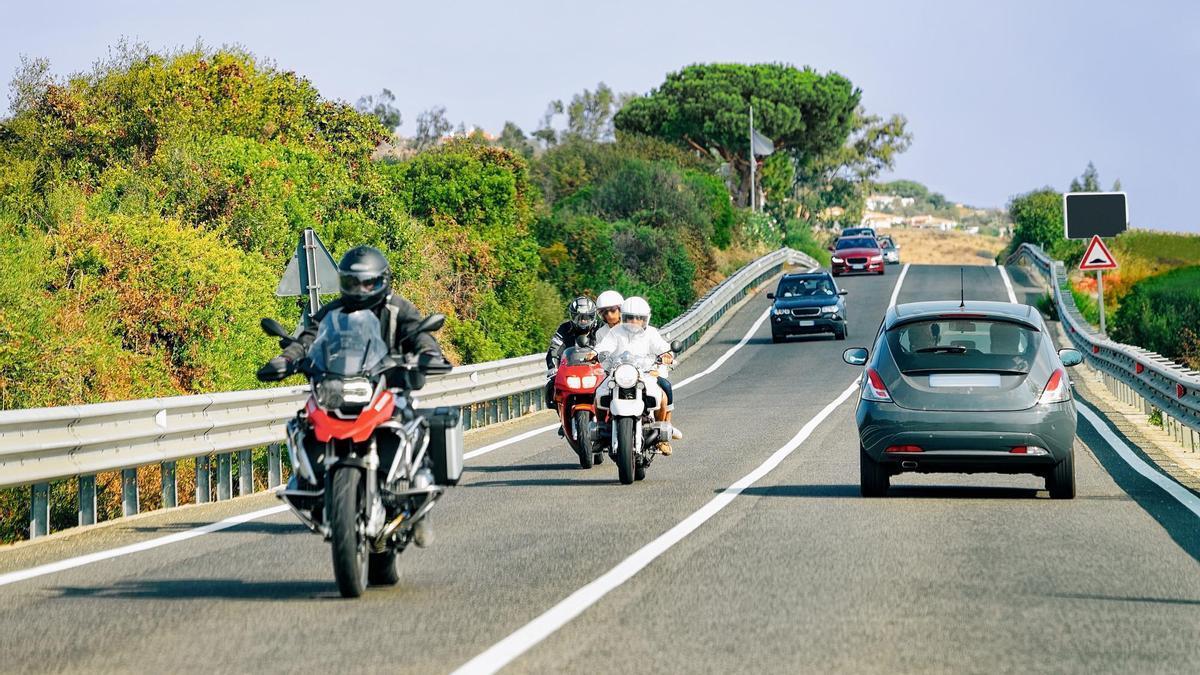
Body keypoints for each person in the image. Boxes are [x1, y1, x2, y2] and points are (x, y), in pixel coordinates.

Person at [256, 245, 448, 546]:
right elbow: (309, 337)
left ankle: (419, 502)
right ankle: (311, 482)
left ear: (383, 281)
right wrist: (287, 359)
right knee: (304, 422)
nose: (359, 289)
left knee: (413, 425)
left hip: (387, 386)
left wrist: (428, 353)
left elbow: (420, 334)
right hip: (339, 386)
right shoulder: (334, 311)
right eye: (352, 282)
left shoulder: (398, 308)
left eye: (367, 282)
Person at [593, 296, 683, 455]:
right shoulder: (616, 332)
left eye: (639, 318)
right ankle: (601, 431)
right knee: (599, 393)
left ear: (645, 319)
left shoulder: (651, 333)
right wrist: (595, 352)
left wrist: (668, 355)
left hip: (644, 374)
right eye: (629, 318)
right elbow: (605, 345)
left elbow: (662, 347)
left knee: (661, 397)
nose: (634, 321)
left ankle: (661, 436)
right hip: (619, 373)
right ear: (624, 317)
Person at [544, 296, 600, 411]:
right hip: (571, 372)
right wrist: (553, 368)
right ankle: (562, 415)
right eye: (579, 317)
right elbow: (554, 348)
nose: (583, 321)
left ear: (593, 316)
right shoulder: (564, 329)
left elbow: (610, 347)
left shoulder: (600, 329)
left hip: (596, 372)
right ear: (572, 316)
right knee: (552, 387)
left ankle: (610, 421)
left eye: (587, 317)